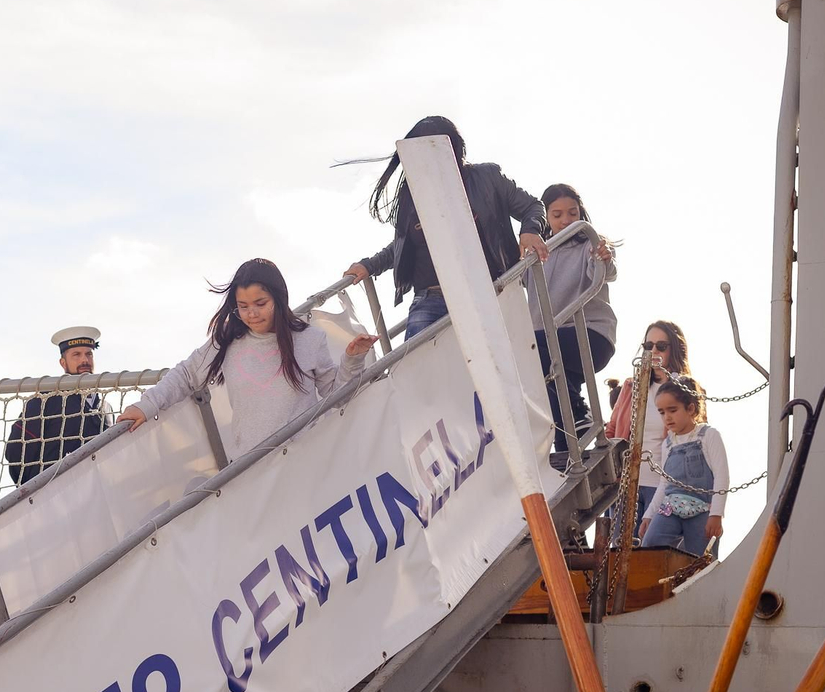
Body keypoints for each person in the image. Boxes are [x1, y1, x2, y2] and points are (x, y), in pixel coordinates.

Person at [120, 259, 376, 461]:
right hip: (252, 471)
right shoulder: (227, 341)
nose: (251, 313)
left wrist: (353, 359)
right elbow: (186, 375)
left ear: (278, 298)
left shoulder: (311, 339)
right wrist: (147, 405)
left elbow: (337, 396)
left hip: (306, 463)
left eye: (260, 303)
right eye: (242, 306)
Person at [342, 116, 550, 340]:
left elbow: (532, 206)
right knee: (417, 367)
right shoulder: (412, 193)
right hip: (432, 298)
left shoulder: (488, 178)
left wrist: (529, 231)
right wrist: (369, 265)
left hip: (490, 292)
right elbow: (403, 243)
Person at [526, 183, 617, 453]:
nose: (566, 220)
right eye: (557, 215)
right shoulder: (536, 255)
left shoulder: (590, 242)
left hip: (589, 334)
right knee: (546, 377)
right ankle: (567, 445)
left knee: (530, 347)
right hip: (550, 342)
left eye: (572, 213)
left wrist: (603, 256)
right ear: (546, 218)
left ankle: (579, 412)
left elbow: (606, 269)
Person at [606, 320, 694, 526]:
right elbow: (611, 431)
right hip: (625, 487)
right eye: (648, 346)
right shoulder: (630, 386)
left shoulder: (686, 389)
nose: (653, 351)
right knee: (618, 553)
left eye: (661, 346)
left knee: (651, 552)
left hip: (663, 487)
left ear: (674, 349)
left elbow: (695, 438)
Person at [4, 326, 112, 486]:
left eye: (89, 354)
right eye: (76, 354)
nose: (85, 360)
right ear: (63, 363)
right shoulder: (46, 399)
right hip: (54, 493)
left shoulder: (106, 407)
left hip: (96, 491)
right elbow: (16, 452)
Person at [638, 377, 727, 556]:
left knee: (701, 559)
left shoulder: (708, 435)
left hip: (702, 508)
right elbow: (664, 483)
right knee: (650, 544)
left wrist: (716, 514)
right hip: (671, 507)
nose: (667, 417)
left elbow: (721, 476)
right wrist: (649, 514)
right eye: (662, 412)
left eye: (672, 410)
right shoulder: (668, 444)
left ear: (691, 408)